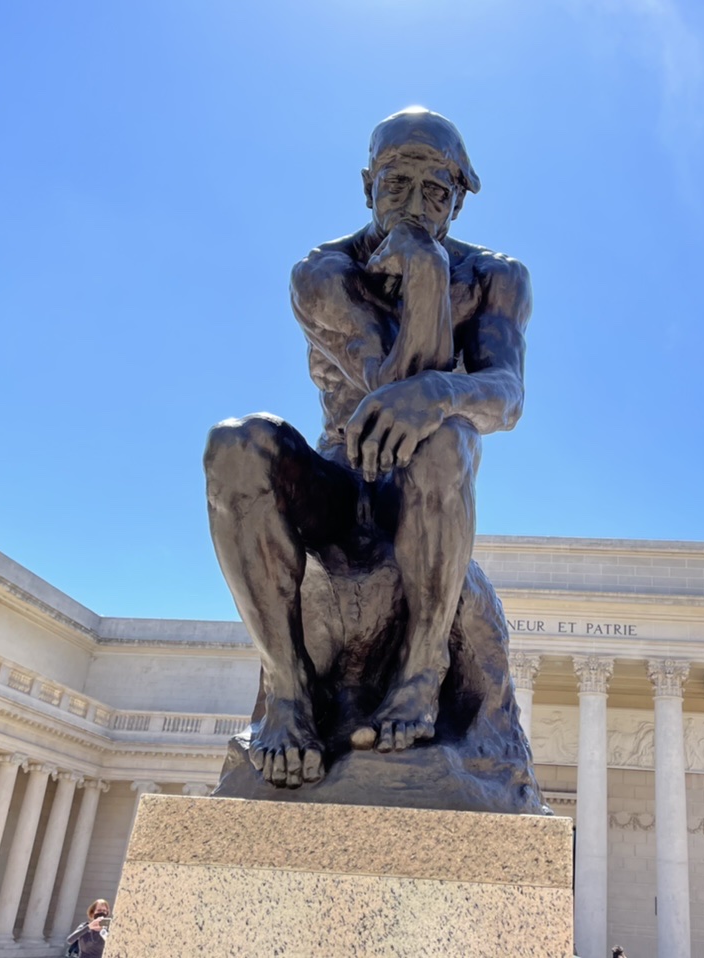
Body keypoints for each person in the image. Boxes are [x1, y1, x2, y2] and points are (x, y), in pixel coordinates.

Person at [204, 107, 532, 788]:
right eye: (395, 187)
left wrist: (442, 388)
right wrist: (424, 280)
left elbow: (504, 395)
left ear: (459, 201)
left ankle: (421, 673)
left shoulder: (498, 277)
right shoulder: (322, 273)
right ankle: (288, 691)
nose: (413, 209)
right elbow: (389, 393)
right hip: (339, 483)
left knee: (444, 437)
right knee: (235, 444)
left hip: (415, 495)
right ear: (365, 186)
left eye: (435, 193)